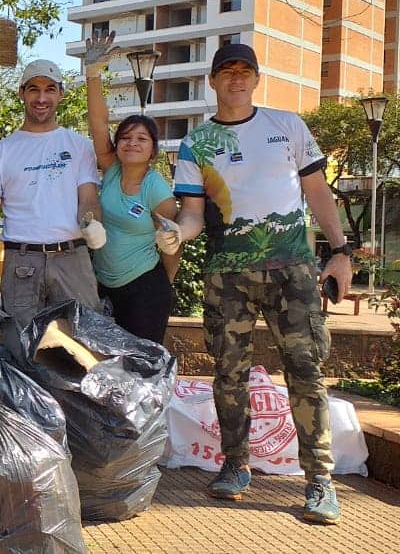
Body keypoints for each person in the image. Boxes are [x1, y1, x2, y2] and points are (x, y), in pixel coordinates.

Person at [172, 43, 352, 524]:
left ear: (256, 79)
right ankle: (236, 464)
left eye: (244, 72)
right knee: (228, 373)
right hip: (226, 274)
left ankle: (319, 481)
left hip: (291, 270)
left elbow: (317, 191)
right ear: (212, 81)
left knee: (306, 369)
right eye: (226, 72)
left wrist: (339, 252)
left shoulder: (287, 125)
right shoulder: (196, 143)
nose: (236, 80)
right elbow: (191, 214)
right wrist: (174, 235)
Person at [0, 59, 105, 326]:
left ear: (61, 93)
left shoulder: (79, 146)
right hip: (22, 263)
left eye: (49, 89)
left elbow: (88, 198)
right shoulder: (1, 151)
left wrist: (92, 223)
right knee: (20, 346)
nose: (41, 98)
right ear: (22, 93)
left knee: (83, 343)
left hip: (72, 259)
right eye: (33, 89)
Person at [83, 34, 180, 344]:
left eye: (141, 139)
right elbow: (99, 125)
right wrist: (93, 73)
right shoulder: (111, 169)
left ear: (153, 150)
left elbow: (172, 244)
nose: (132, 143)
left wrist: (165, 284)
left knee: (141, 368)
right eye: (125, 137)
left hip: (144, 287)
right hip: (104, 283)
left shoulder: (156, 188)